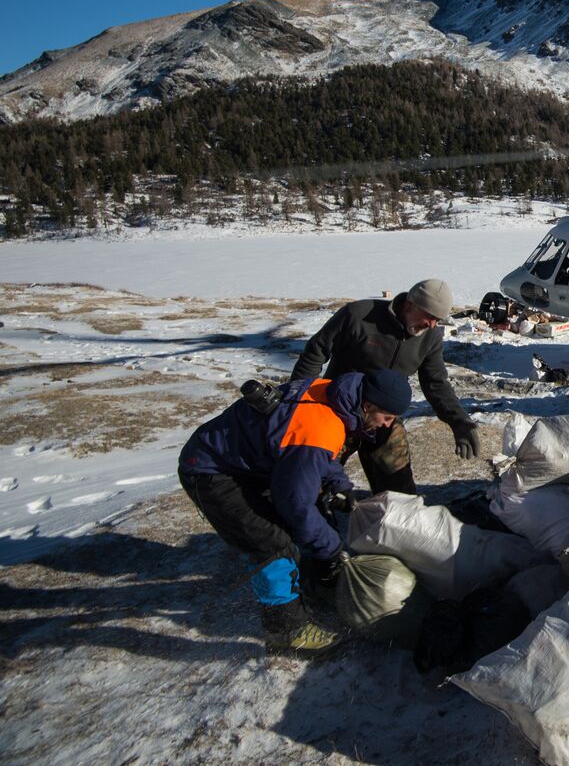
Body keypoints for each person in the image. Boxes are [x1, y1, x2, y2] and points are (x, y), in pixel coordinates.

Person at [178, 369, 413, 657]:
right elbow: (294, 501)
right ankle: (286, 631)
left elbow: (312, 449)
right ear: (367, 406)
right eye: (386, 417)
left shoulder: (334, 395)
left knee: (313, 518)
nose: (387, 425)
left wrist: (338, 484)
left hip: (250, 464)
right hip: (210, 471)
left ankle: (314, 584)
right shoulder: (322, 426)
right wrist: (332, 548)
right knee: (272, 541)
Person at [291, 278, 481, 494]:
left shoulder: (430, 337)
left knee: (399, 492)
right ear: (410, 304)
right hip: (338, 413)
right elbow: (315, 352)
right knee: (311, 484)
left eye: (437, 320)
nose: (432, 325)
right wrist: (296, 401)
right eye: (429, 316)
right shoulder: (358, 315)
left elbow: (436, 383)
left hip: (383, 419)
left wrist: (459, 421)